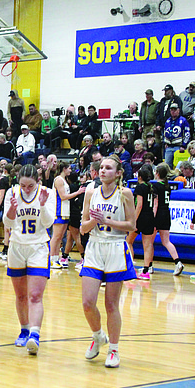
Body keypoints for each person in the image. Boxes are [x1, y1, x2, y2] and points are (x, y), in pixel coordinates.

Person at [80, 155, 136, 368]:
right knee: (87, 302)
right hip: (94, 246)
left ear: (119, 173)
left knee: (111, 304)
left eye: (109, 168)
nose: (103, 171)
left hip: (115, 246)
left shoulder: (125, 194)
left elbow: (131, 225)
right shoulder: (90, 193)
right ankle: (97, 336)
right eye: (101, 167)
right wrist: (95, 220)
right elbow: (84, 228)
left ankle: (114, 350)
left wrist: (108, 220)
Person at [3, 164, 55, 355]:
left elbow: (49, 223)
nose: (26, 189)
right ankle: (24, 329)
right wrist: (11, 211)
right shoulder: (12, 192)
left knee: (35, 295)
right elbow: (6, 223)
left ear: (37, 182)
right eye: (23, 185)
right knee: (20, 295)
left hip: (38, 247)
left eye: (30, 186)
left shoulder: (47, 192)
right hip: (17, 247)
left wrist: (41, 205)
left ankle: (35, 334)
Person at [51, 162, 85, 269]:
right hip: (58, 211)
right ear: (64, 169)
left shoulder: (64, 180)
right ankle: (52, 259)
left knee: (60, 237)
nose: (70, 171)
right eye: (69, 168)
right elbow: (63, 196)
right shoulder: (58, 180)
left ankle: (56, 259)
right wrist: (78, 192)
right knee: (56, 237)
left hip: (65, 211)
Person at [152, 163, 185, 276]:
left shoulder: (155, 186)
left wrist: (152, 218)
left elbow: (155, 205)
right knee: (166, 241)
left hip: (158, 214)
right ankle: (178, 262)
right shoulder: (167, 186)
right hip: (166, 213)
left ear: (157, 173)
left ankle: (149, 266)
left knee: (149, 242)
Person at [126, 165, 156, 280]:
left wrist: (133, 219)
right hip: (150, 217)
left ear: (139, 177)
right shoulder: (151, 187)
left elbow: (139, 205)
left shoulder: (140, 187)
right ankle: (145, 270)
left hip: (140, 218)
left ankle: (131, 267)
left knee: (128, 241)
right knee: (147, 245)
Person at [163, 103, 190, 168]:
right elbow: (165, 132)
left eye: (175, 109)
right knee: (167, 166)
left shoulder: (183, 120)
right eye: (172, 110)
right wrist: (165, 142)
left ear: (178, 110)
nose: (173, 111)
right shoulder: (167, 121)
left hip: (178, 147)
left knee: (179, 166)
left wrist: (183, 145)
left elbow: (187, 134)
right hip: (168, 147)